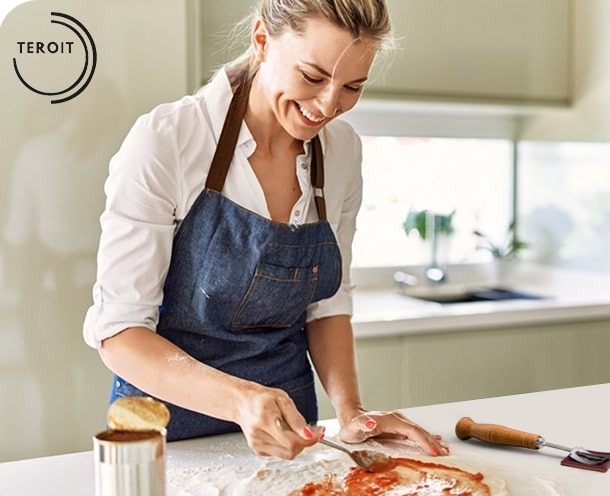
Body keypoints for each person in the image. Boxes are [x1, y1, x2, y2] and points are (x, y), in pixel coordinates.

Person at [82, 0, 449, 460]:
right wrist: (241, 400)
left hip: (290, 435)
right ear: (261, 40)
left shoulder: (341, 152)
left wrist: (353, 413)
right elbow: (120, 333)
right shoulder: (170, 139)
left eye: (353, 86)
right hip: (163, 434)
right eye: (313, 77)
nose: (329, 105)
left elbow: (327, 303)